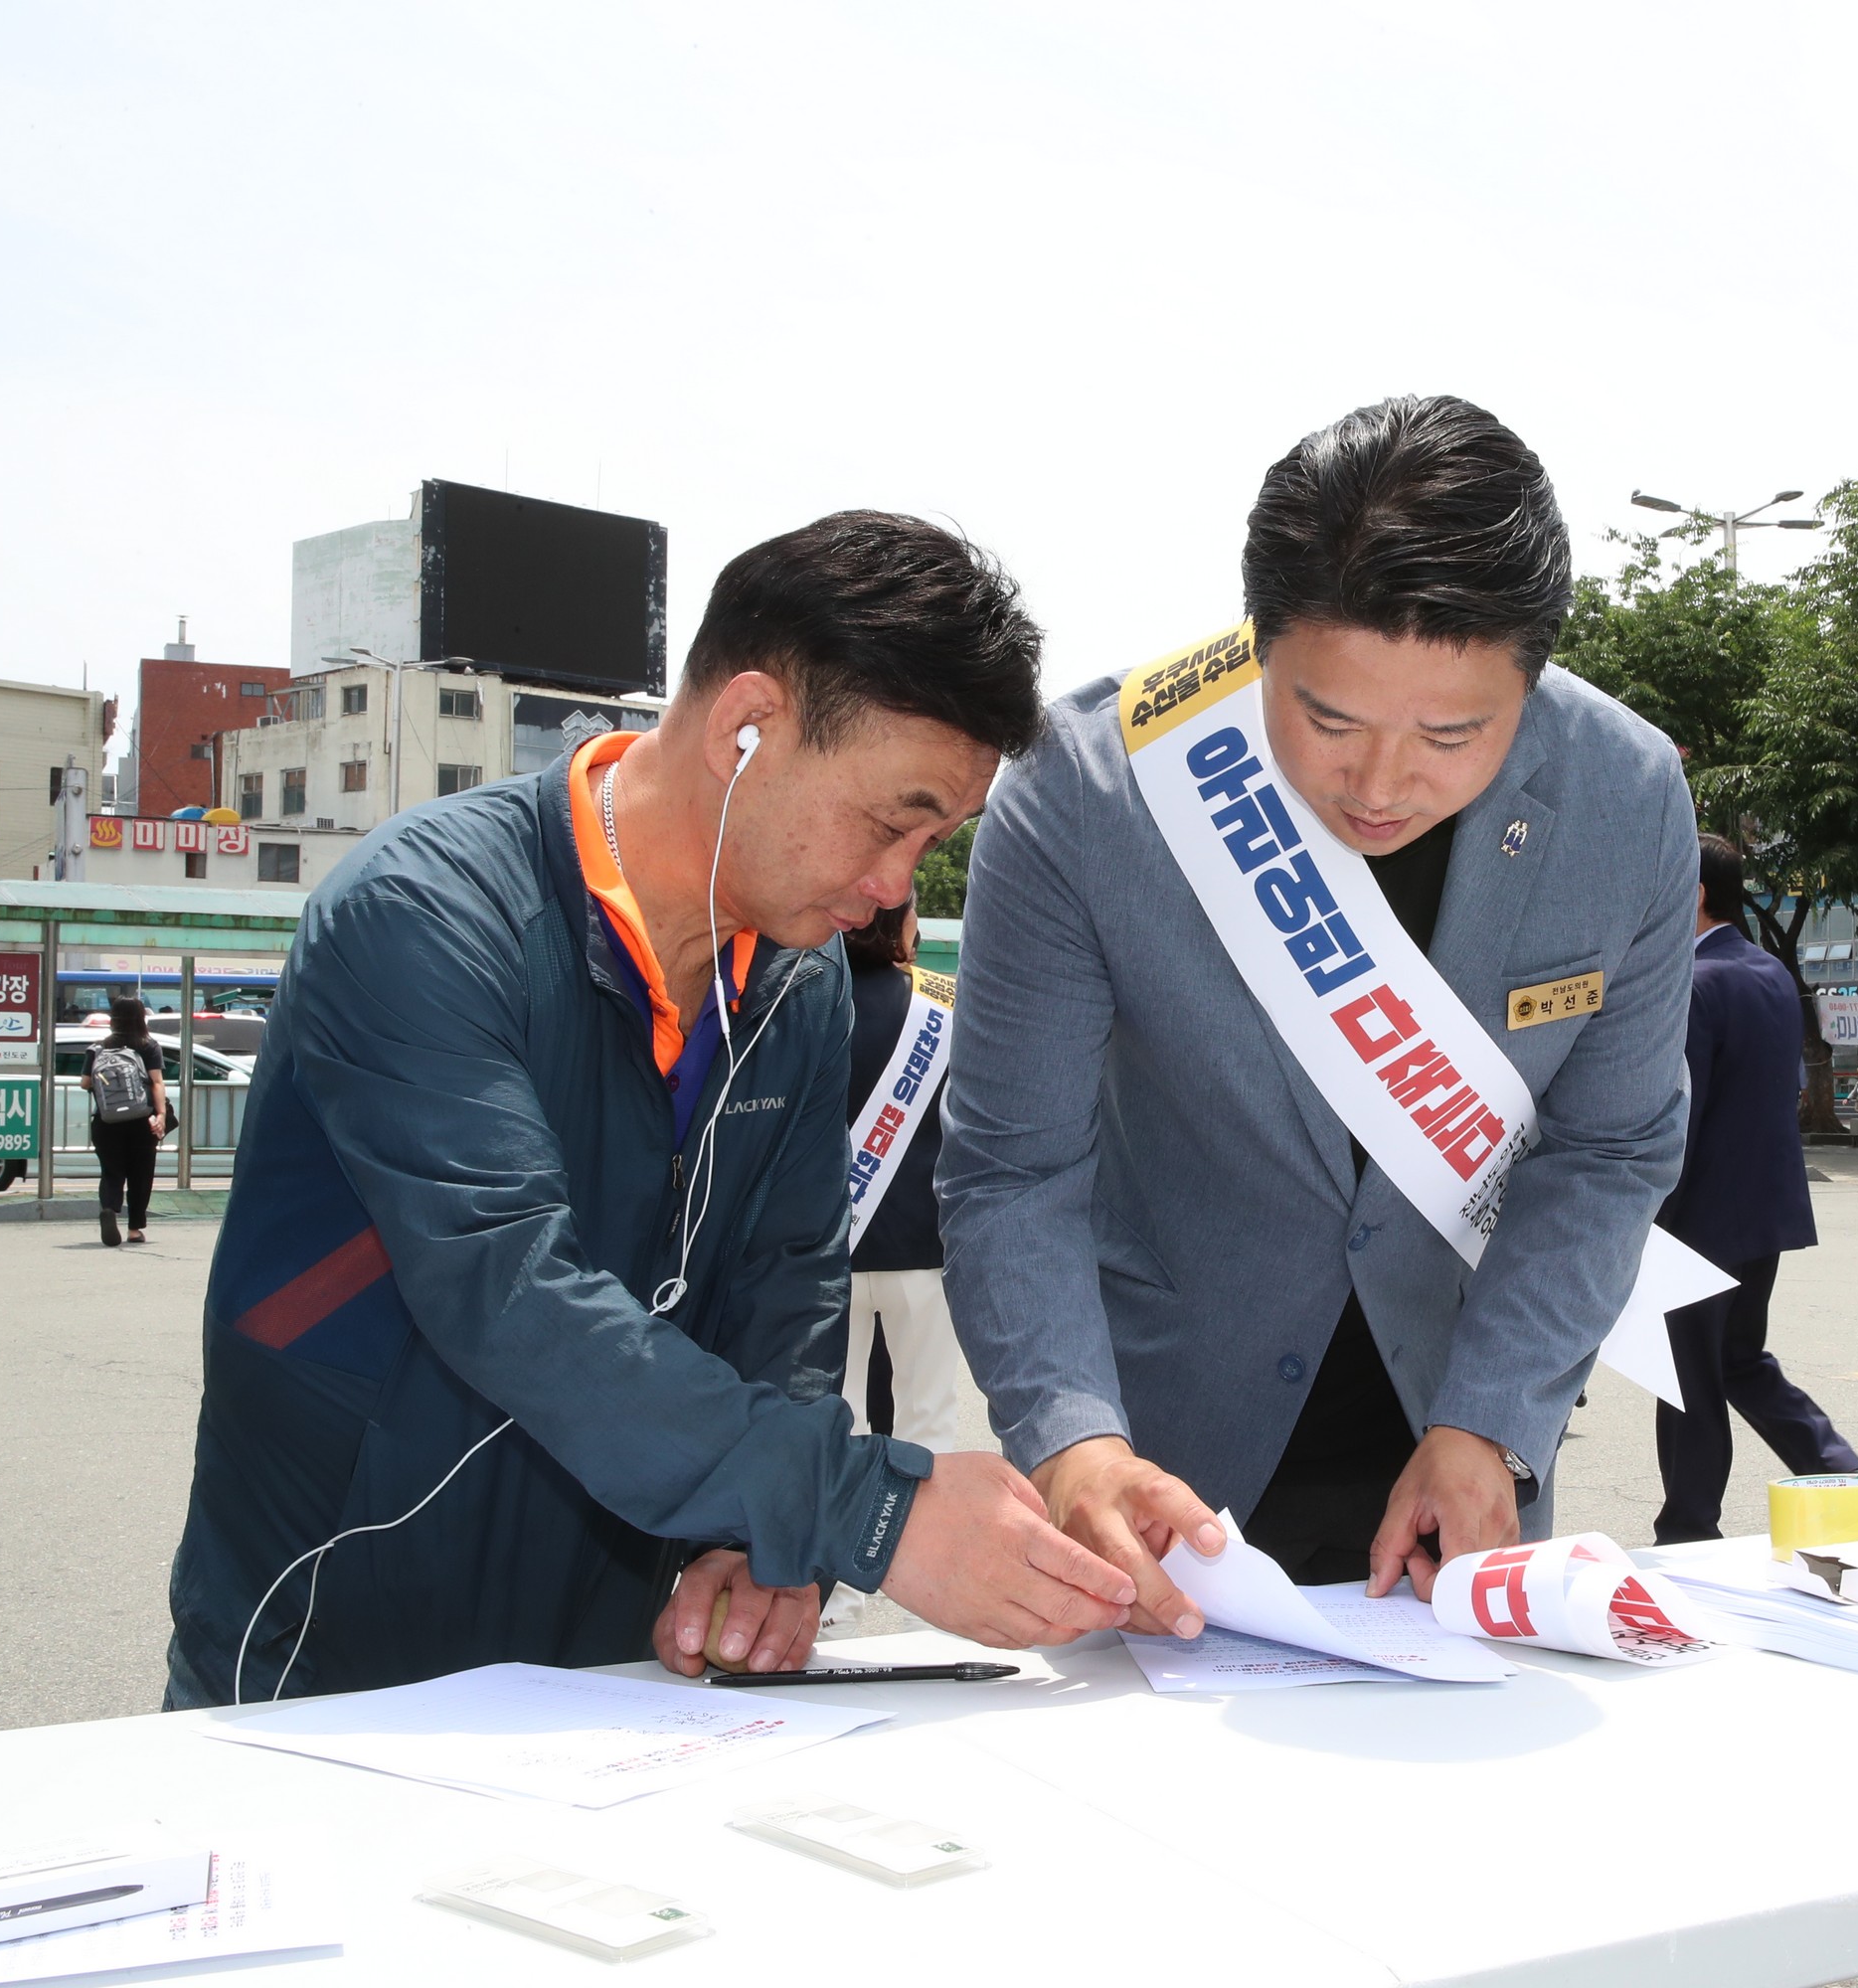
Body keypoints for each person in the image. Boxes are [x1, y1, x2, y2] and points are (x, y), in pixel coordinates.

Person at [163, 513, 1138, 1708]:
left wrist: (762, 1548)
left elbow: (789, 1287)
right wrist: (868, 1508)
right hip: (333, 1650)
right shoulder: (427, 913)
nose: (896, 885)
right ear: (747, 726)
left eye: (935, 839)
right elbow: (512, 1291)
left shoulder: (798, 975)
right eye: (893, 821)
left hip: (624, 1674)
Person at [941, 394, 1697, 1639]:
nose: (1382, 783)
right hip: (1156, 1474)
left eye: (1455, 735)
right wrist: (1072, 1439)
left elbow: (1611, 1146)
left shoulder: (1625, 795)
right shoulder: (1090, 790)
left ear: (1535, 674)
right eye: (1327, 718)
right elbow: (1014, 1170)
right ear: (1258, 642)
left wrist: (1493, 1418)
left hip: (1455, 1457)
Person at [1651, 834, 1858, 1544]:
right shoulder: (1768, 971)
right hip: (1763, 1215)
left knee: (1686, 1379)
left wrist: (1648, 1217)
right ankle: (1843, 1474)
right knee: (1740, 1360)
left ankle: (1688, 1527)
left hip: (1698, 1219)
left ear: (1695, 893)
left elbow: (1680, 1114)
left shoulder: (1693, 983)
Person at [841, 894, 969, 1443]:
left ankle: (839, 1528)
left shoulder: (806, 1002)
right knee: (927, 1421)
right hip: (923, 1246)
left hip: (829, 1246)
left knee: (832, 1422)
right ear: (900, 924)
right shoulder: (946, 1004)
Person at [84, 995, 169, 1247]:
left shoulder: (98, 1047)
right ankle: (134, 1229)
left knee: (111, 1171)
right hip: (141, 1120)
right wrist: (161, 1115)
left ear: (114, 1017)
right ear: (141, 1016)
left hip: (106, 1120)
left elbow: (85, 1083)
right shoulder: (148, 1045)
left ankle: (109, 1208)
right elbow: (156, 1082)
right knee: (140, 1174)